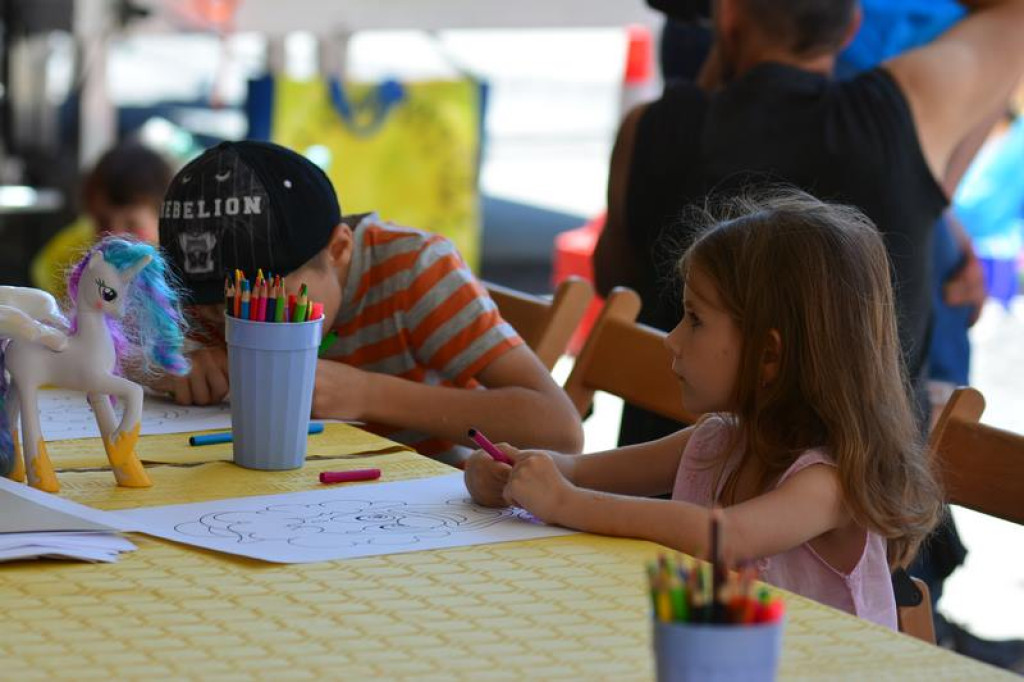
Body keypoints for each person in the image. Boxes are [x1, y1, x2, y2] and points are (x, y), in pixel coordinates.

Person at [467, 192, 942, 626]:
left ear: (769, 354)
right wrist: (512, 471)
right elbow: (577, 471)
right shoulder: (715, 442)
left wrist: (565, 503)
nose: (672, 339)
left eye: (695, 319)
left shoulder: (830, 482)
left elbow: (724, 537)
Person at [596, 0, 1024, 442]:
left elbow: (615, 284)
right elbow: (1014, 14)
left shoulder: (649, 129)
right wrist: (935, 197)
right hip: (859, 481)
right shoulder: (901, 114)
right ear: (852, 26)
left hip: (655, 474)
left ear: (727, 16)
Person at [155, 140, 583, 465]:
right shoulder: (202, 292)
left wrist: (368, 394)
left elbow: (560, 430)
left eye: (265, 299)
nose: (233, 319)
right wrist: (166, 368)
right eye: (214, 309)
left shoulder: (414, 270)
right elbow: (119, 351)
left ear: (339, 250)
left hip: (417, 505)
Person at [31, 141, 173, 297]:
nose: (114, 237)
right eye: (103, 222)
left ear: (165, 221)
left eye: (131, 225)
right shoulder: (67, 256)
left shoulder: (176, 263)